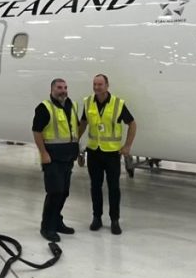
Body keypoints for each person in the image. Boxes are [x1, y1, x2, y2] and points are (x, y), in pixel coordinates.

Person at [77, 74, 136, 234]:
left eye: (100, 84)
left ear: (107, 85)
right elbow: (83, 123)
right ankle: (97, 217)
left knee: (113, 188)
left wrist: (127, 146)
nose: (97, 87)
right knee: (95, 187)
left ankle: (114, 220)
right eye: (95, 84)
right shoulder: (88, 102)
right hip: (94, 152)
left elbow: (132, 124)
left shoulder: (117, 104)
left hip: (111, 154)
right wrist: (75, 139)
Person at [31, 78, 80, 242]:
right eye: (59, 87)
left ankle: (57, 221)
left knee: (64, 192)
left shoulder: (71, 106)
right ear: (52, 89)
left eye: (65, 87)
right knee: (54, 193)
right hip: (52, 158)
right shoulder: (44, 108)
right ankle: (47, 227)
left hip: (68, 158)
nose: (63, 90)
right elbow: (37, 131)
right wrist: (43, 153)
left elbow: (74, 128)